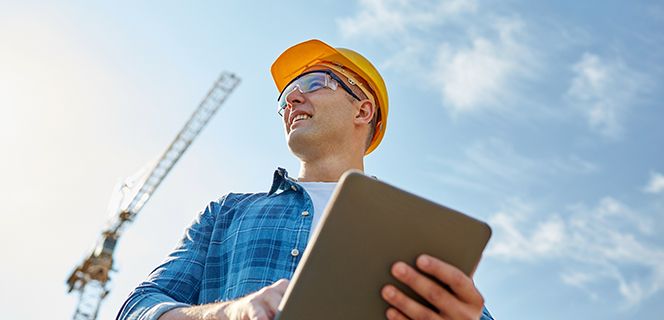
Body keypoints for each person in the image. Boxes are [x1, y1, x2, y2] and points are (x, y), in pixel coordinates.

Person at [117, 39, 494, 320]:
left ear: (363, 109)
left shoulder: (416, 234)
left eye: (314, 83)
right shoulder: (227, 213)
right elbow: (139, 308)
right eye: (285, 98)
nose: (292, 100)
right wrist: (227, 314)